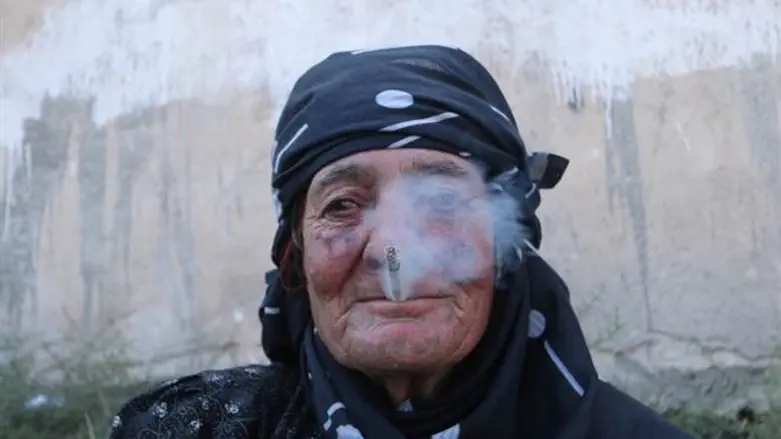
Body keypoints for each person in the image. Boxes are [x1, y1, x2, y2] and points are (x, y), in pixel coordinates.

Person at [109, 45, 694, 439]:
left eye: (441, 202)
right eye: (342, 206)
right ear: (295, 254)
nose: (394, 250)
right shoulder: (195, 429)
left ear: (506, 244)